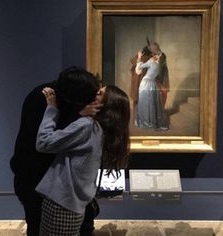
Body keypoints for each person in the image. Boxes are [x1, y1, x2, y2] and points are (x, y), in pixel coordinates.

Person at [10, 67, 102, 236]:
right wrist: (79, 115)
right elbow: (43, 143)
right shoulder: (42, 98)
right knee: (38, 227)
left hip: (63, 188)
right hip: (40, 182)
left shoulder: (68, 99)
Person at [35, 84, 130, 235]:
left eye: (99, 93)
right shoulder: (102, 130)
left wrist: (52, 109)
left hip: (62, 203)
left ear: (104, 104)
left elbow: (44, 143)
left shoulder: (88, 126)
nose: (94, 94)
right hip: (73, 204)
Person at [135, 50, 169, 130]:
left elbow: (139, 68)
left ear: (158, 56)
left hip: (146, 83)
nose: (154, 55)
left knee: (147, 103)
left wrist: (139, 57)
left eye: (157, 54)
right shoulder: (160, 65)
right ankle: (151, 122)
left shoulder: (151, 61)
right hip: (151, 84)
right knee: (150, 103)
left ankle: (147, 122)